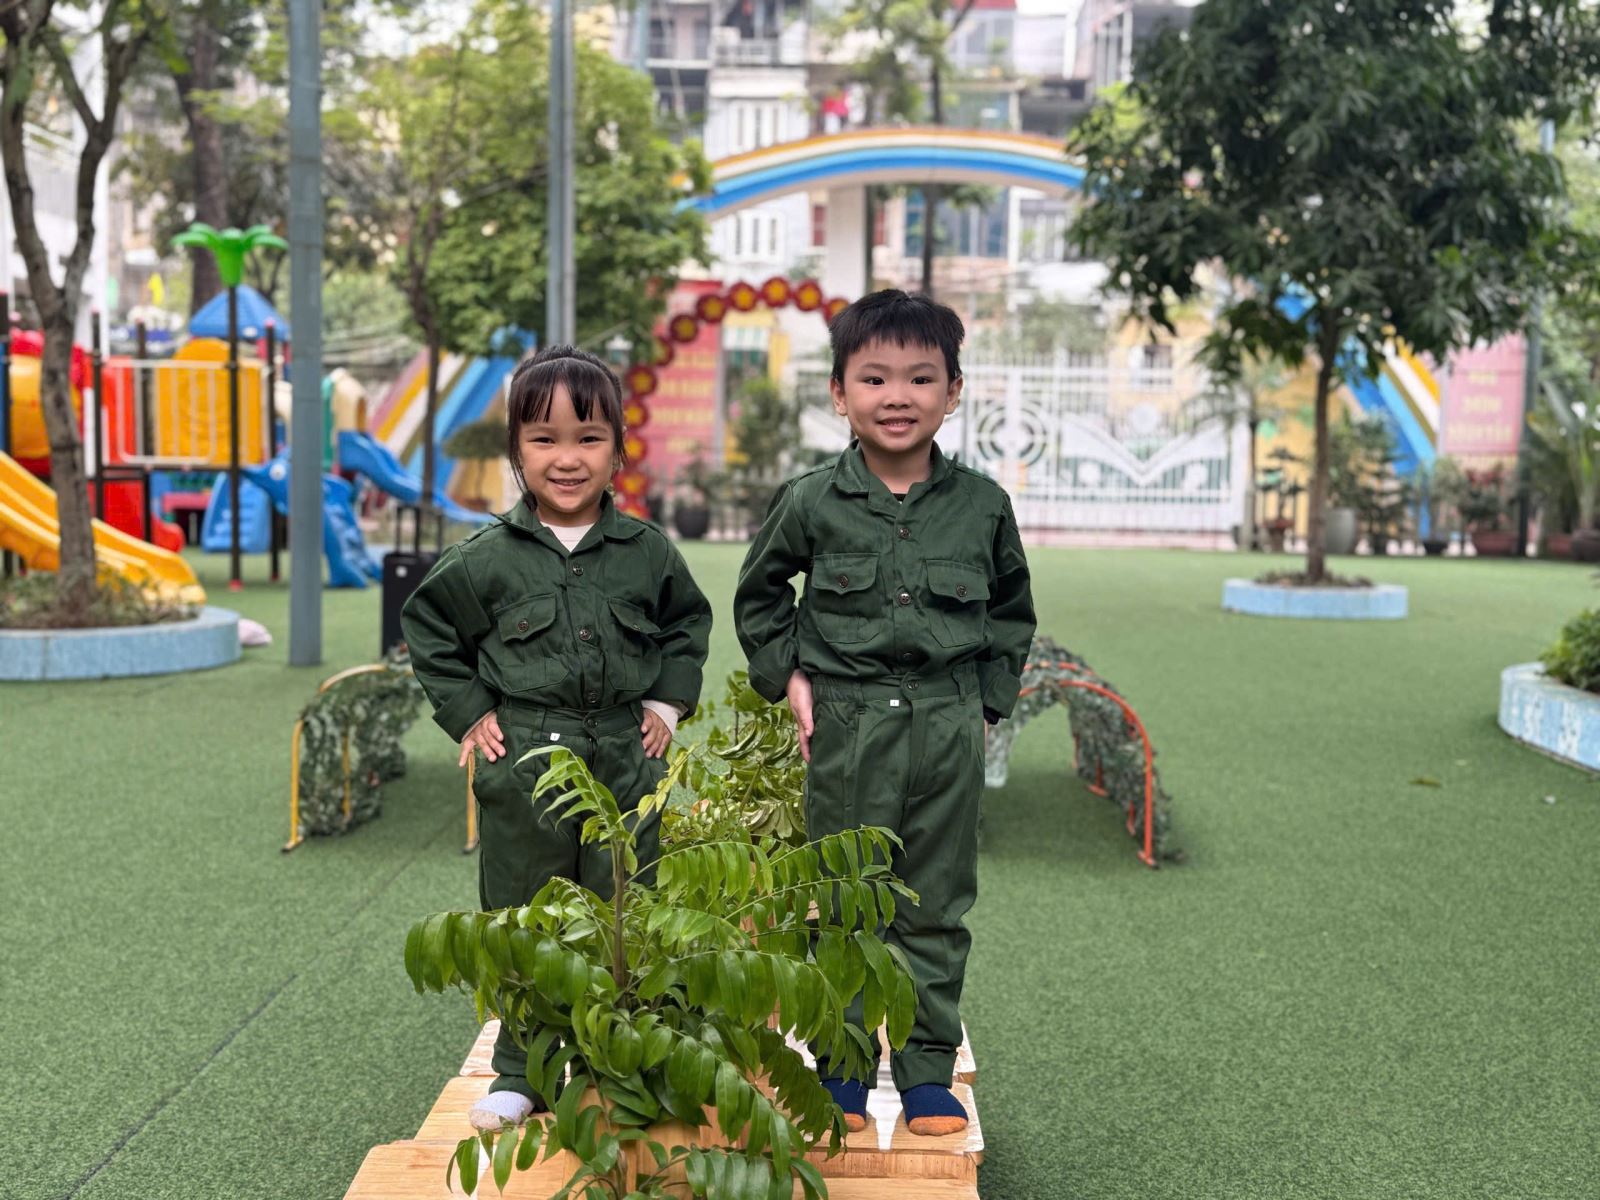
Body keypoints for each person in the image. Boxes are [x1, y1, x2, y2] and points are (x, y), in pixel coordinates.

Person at [734, 290, 1035, 1136]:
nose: (897, 396)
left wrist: (986, 706)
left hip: (947, 721)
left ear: (954, 391)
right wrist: (789, 675)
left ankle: (928, 1070)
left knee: (935, 903)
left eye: (920, 377)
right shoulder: (810, 502)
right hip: (849, 722)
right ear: (839, 394)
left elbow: (1012, 613)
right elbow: (761, 594)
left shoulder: (983, 506)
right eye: (874, 378)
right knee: (846, 900)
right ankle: (841, 1068)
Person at [402, 345, 712, 1131]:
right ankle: (525, 1070)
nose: (567, 458)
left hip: (626, 754)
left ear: (617, 450)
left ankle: (629, 1059)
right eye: (544, 439)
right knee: (526, 912)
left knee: (628, 903)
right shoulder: (483, 560)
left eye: (588, 438)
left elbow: (686, 625)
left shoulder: (647, 553)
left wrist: (667, 704)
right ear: (516, 447)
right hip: (527, 760)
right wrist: (471, 711)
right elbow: (429, 629)